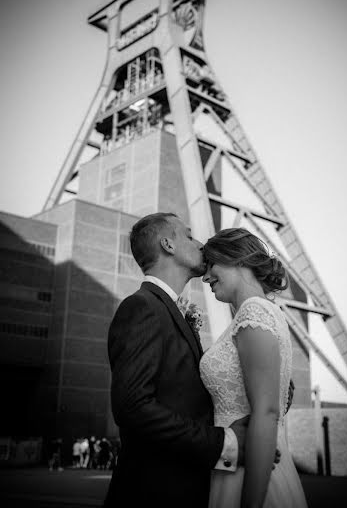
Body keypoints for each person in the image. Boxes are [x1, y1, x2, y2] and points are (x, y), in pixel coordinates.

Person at [103, 213, 251, 508]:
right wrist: (225, 443)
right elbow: (133, 407)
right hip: (154, 494)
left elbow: (187, 399)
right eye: (189, 234)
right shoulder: (141, 308)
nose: (200, 244)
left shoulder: (168, 310)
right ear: (168, 244)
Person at [202, 227, 308, 508]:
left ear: (237, 259)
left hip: (251, 475)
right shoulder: (260, 313)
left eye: (211, 264)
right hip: (237, 464)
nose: (205, 276)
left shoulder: (253, 313)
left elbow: (267, 412)